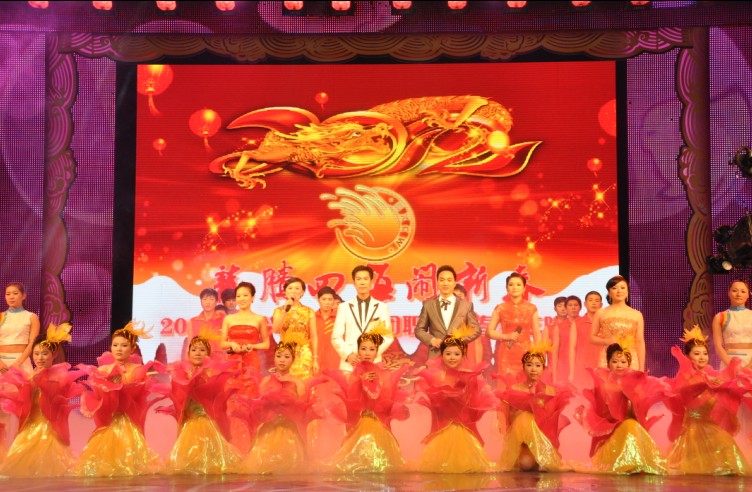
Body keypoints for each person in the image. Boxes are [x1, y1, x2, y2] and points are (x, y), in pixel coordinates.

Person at [76, 322, 163, 476]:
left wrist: (122, 384)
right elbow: (98, 396)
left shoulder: (137, 370)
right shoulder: (103, 370)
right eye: (115, 345)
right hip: (110, 420)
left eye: (124, 345)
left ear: (132, 348)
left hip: (127, 420)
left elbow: (136, 397)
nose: (119, 349)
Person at [0, 324, 84, 477]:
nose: (40, 358)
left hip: (49, 426)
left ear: (54, 354)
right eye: (36, 353)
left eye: (44, 354)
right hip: (30, 424)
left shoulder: (59, 375)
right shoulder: (30, 375)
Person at [665, 326, 750, 475]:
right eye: (696, 354)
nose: (702, 357)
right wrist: (705, 381)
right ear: (687, 356)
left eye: (704, 353)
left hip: (711, 424)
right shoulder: (686, 374)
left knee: (726, 448)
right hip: (693, 426)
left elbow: (725, 384)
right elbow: (685, 389)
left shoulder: (711, 372)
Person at [326, 323, 409, 473]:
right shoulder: (354, 372)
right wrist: (361, 380)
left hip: (377, 420)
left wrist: (380, 382)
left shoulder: (381, 371)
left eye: (371, 349)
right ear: (358, 351)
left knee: (380, 462)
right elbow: (352, 394)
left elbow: (385, 394)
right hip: (361, 420)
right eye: (363, 349)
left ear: (377, 352)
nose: (367, 353)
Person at [575, 341, 667, 474]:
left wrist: (633, 398)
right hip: (611, 433)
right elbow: (603, 415)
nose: (619, 365)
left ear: (628, 364)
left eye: (623, 362)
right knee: (629, 425)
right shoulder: (603, 384)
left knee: (631, 425)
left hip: (629, 427)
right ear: (608, 364)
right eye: (615, 361)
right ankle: (626, 462)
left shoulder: (634, 384)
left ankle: (635, 461)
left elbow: (637, 414)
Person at [160, 329, 242, 475]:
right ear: (188, 353)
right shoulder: (183, 374)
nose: (197, 353)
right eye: (194, 350)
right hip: (190, 419)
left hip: (207, 419)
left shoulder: (212, 374)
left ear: (208, 354)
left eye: (202, 350)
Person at [240, 334, 323, 474]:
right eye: (279, 356)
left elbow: (302, 408)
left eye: (286, 357)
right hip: (268, 430)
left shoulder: (298, 382)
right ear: (274, 358)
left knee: (289, 468)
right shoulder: (266, 381)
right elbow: (259, 406)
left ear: (293, 360)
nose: (282, 360)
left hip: (289, 430)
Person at [497, 339, 573, 472]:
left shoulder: (550, 391)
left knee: (541, 464)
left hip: (542, 439)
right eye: (529, 365)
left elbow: (550, 423)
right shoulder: (514, 389)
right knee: (525, 464)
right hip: (521, 442)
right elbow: (508, 418)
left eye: (538, 365)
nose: (533, 369)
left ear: (543, 368)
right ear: (523, 367)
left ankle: (540, 458)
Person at [331, 265, 394, 371]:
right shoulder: (344, 307)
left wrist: (372, 353)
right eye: (358, 279)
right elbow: (336, 337)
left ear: (371, 282)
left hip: (373, 363)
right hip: (350, 363)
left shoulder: (382, 307)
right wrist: (348, 354)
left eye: (365, 279)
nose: (362, 282)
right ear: (354, 283)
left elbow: (388, 336)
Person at [415, 265, 482, 359]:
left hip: (458, 356)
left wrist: (460, 341)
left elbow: (476, 329)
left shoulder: (466, 305)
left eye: (449, 280)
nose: (445, 283)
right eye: (442, 280)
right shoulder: (428, 305)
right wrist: (432, 340)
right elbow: (419, 330)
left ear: (454, 283)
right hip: (435, 355)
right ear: (437, 283)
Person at [486, 272, 541, 377]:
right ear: (507, 288)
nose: (515, 287)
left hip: (526, 354)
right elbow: (489, 332)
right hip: (506, 353)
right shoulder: (500, 308)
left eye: (518, 284)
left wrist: (539, 355)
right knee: (506, 383)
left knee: (524, 383)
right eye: (511, 285)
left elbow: (536, 334)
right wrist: (506, 336)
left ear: (524, 288)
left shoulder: (531, 308)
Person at [221, 281, 270, 398]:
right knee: (232, 396)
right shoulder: (228, 319)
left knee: (250, 394)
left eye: (245, 295)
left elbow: (266, 344)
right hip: (232, 362)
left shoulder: (259, 319)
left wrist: (251, 346)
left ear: (252, 298)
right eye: (238, 296)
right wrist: (232, 344)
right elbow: (222, 343)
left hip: (251, 362)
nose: (241, 299)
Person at [590, 276, 645, 371]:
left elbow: (640, 342)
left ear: (627, 291)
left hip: (631, 358)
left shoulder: (637, 315)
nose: (619, 291)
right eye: (614, 288)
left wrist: (641, 368)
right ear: (609, 292)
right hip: (608, 356)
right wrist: (607, 341)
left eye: (622, 288)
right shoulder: (601, 313)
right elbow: (591, 338)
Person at [272, 277, 317, 379]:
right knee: (287, 384)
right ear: (285, 291)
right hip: (285, 354)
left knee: (304, 384)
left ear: (302, 292)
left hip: (304, 354)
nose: (293, 291)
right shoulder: (279, 311)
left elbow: (314, 336)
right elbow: (275, 330)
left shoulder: (309, 311)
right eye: (290, 288)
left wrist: (315, 359)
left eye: (297, 288)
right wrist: (285, 311)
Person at [1, 282, 40, 375]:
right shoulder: (1, 316)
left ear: (23, 296)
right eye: (8, 294)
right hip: (1, 363)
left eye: (15, 293)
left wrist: (19, 363)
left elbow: (32, 343)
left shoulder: (31, 317)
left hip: (21, 361)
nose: (11, 297)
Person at [712, 279, 752, 368]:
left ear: (748, 295)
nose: (738, 294)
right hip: (729, 362)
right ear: (729, 293)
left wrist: (749, 367)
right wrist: (732, 366)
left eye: (743, 291)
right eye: (734, 290)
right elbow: (718, 346)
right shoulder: (720, 317)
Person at [573, 291, 603, 386]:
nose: (593, 303)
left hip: (601, 365)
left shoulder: (605, 323)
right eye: (590, 300)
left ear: (601, 305)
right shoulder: (577, 322)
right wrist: (572, 370)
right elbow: (572, 348)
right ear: (585, 304)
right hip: (582, 366)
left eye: (597, 301)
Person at [186, 288, 225, 355]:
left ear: (216, 302)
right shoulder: (192, 322)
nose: (208, 302)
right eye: (205, 299)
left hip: (220, 358)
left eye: (211, 299)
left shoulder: (223, 319)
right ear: (201, 302)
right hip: (200, 358)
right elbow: (190, 345)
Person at [548, 296, 575, 383]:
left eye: (565, 306)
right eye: (560, 306)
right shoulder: (548, 328)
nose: (563, 309)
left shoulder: (574, 325)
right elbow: (543, 351)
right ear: (555, 309)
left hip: (569, 364)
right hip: (553, 365)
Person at [314, 286, 341, 372]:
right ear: (318, 300)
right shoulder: (312, 318)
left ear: (333, 301)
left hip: (335, 361)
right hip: (316, 362)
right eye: (324, 299)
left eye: (330, 299)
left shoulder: (340, 317)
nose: (327, 302)